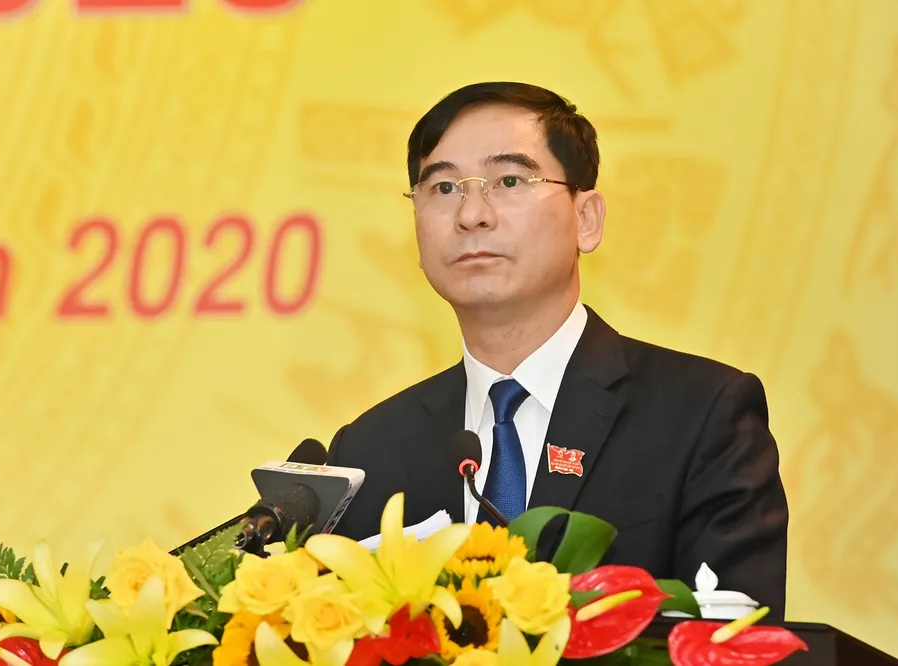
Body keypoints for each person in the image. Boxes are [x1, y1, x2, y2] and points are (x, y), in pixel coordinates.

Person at [325, 81, 789, 617]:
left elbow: (738, 640)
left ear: (586, 219)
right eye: (444, 188)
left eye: (508, 180)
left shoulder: (701, 415)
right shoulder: (369, 451)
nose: (471, 214)